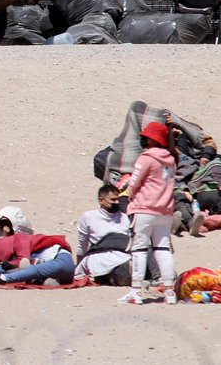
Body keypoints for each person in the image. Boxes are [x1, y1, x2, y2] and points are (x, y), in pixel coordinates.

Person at [117, 122, 178, 305]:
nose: (143, 139)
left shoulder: (146, 158)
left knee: (139, 250)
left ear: (153, 139)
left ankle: (136, 291)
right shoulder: (171, 159)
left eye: (146, 136)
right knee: (163, 249)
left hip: (144, 209)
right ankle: (169, 291)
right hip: (165, 210)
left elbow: (134, 183)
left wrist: (129, 191)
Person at [74, 185, 132, 284]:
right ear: (101, 200)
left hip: (122, 255)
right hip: (100, 257)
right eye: (113, 200)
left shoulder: (124, 217)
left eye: (118, 199)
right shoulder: (89, 217)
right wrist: (78, 265)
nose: (117, 202)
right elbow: (82, 245)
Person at [0, 231, 74, 286]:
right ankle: (51, 281)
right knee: (39, 271)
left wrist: (10, 264)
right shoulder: (17, 242)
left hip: (61, 259)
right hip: (61, 267)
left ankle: (3, 278)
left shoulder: (20, 240)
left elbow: (24, 259)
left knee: (33, 269)